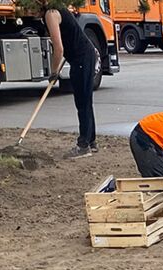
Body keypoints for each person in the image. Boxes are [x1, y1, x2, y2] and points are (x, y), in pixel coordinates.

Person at [45, 6, 96, 157]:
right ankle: (91, 141)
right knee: (85, 101)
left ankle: (84, 145)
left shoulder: (51, 14)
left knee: (82, 102)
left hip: (82, 58)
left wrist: (54, 73)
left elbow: (58, 49)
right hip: (83, 56)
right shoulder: (58, 9)